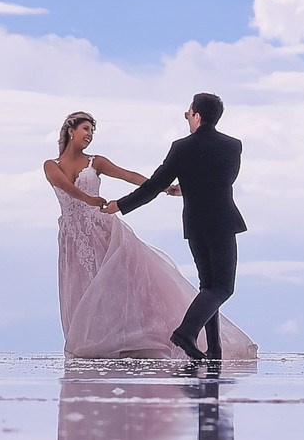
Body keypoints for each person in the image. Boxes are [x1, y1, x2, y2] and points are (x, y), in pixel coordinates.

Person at [45, 110, 256, 360]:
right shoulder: (51, 165)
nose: (90, 135)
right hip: (72, 235)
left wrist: (164, 187)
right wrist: (89, 198)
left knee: (117, 284)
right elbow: (64, 185)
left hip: (101, 230)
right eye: (85, 129)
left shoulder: (96, 161)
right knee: (80, 285)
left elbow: (129, 175)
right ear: (71, 131)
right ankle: (91, 339)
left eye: (92, 130)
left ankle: (140, 336)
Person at [104, 93, 247, 361]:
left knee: (211, 286)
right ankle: (188, 334)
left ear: (197, 116)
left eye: (188, 111)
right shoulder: (233, 146)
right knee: (222, 287)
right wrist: (191, 186)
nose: (185, 115)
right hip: (222, 221)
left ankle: (210, 346)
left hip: (196, 224)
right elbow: (223, 180)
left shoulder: (181, 147)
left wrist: (121, 205)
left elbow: (154, 185)